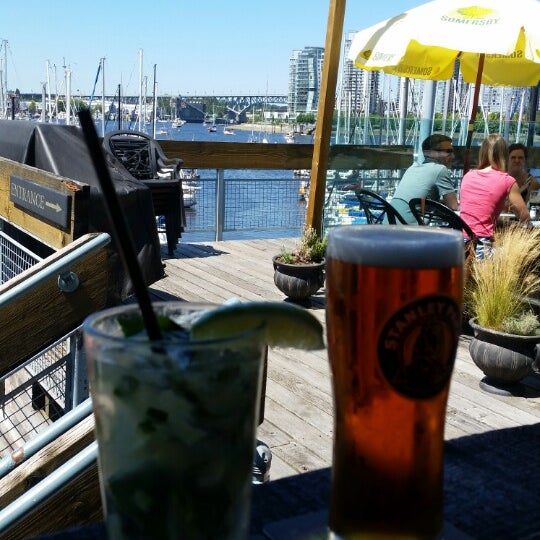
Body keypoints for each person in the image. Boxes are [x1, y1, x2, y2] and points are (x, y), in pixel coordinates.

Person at [459, 134, 530, 259]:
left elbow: (478, 212)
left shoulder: (468, 175)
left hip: (460, 246)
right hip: (482, 248)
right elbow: (524, 217)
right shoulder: (507, 180)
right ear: (504, 155)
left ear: (483, 152)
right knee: (521, 257)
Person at [390, 134, 458, 224]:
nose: (453, 156)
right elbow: (453, 206)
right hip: (409, 231)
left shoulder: (413, 167)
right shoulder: (440, 169)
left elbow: (416, 198)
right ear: (431, 153)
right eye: (448, 152)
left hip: (390, 225)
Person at [506, 142, 540, 207]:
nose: (517, 160)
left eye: (520, 158)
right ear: (507, 159)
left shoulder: (532, 183)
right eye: (513, 157)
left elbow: (528, 210)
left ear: (525, 160)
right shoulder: (499, 179)